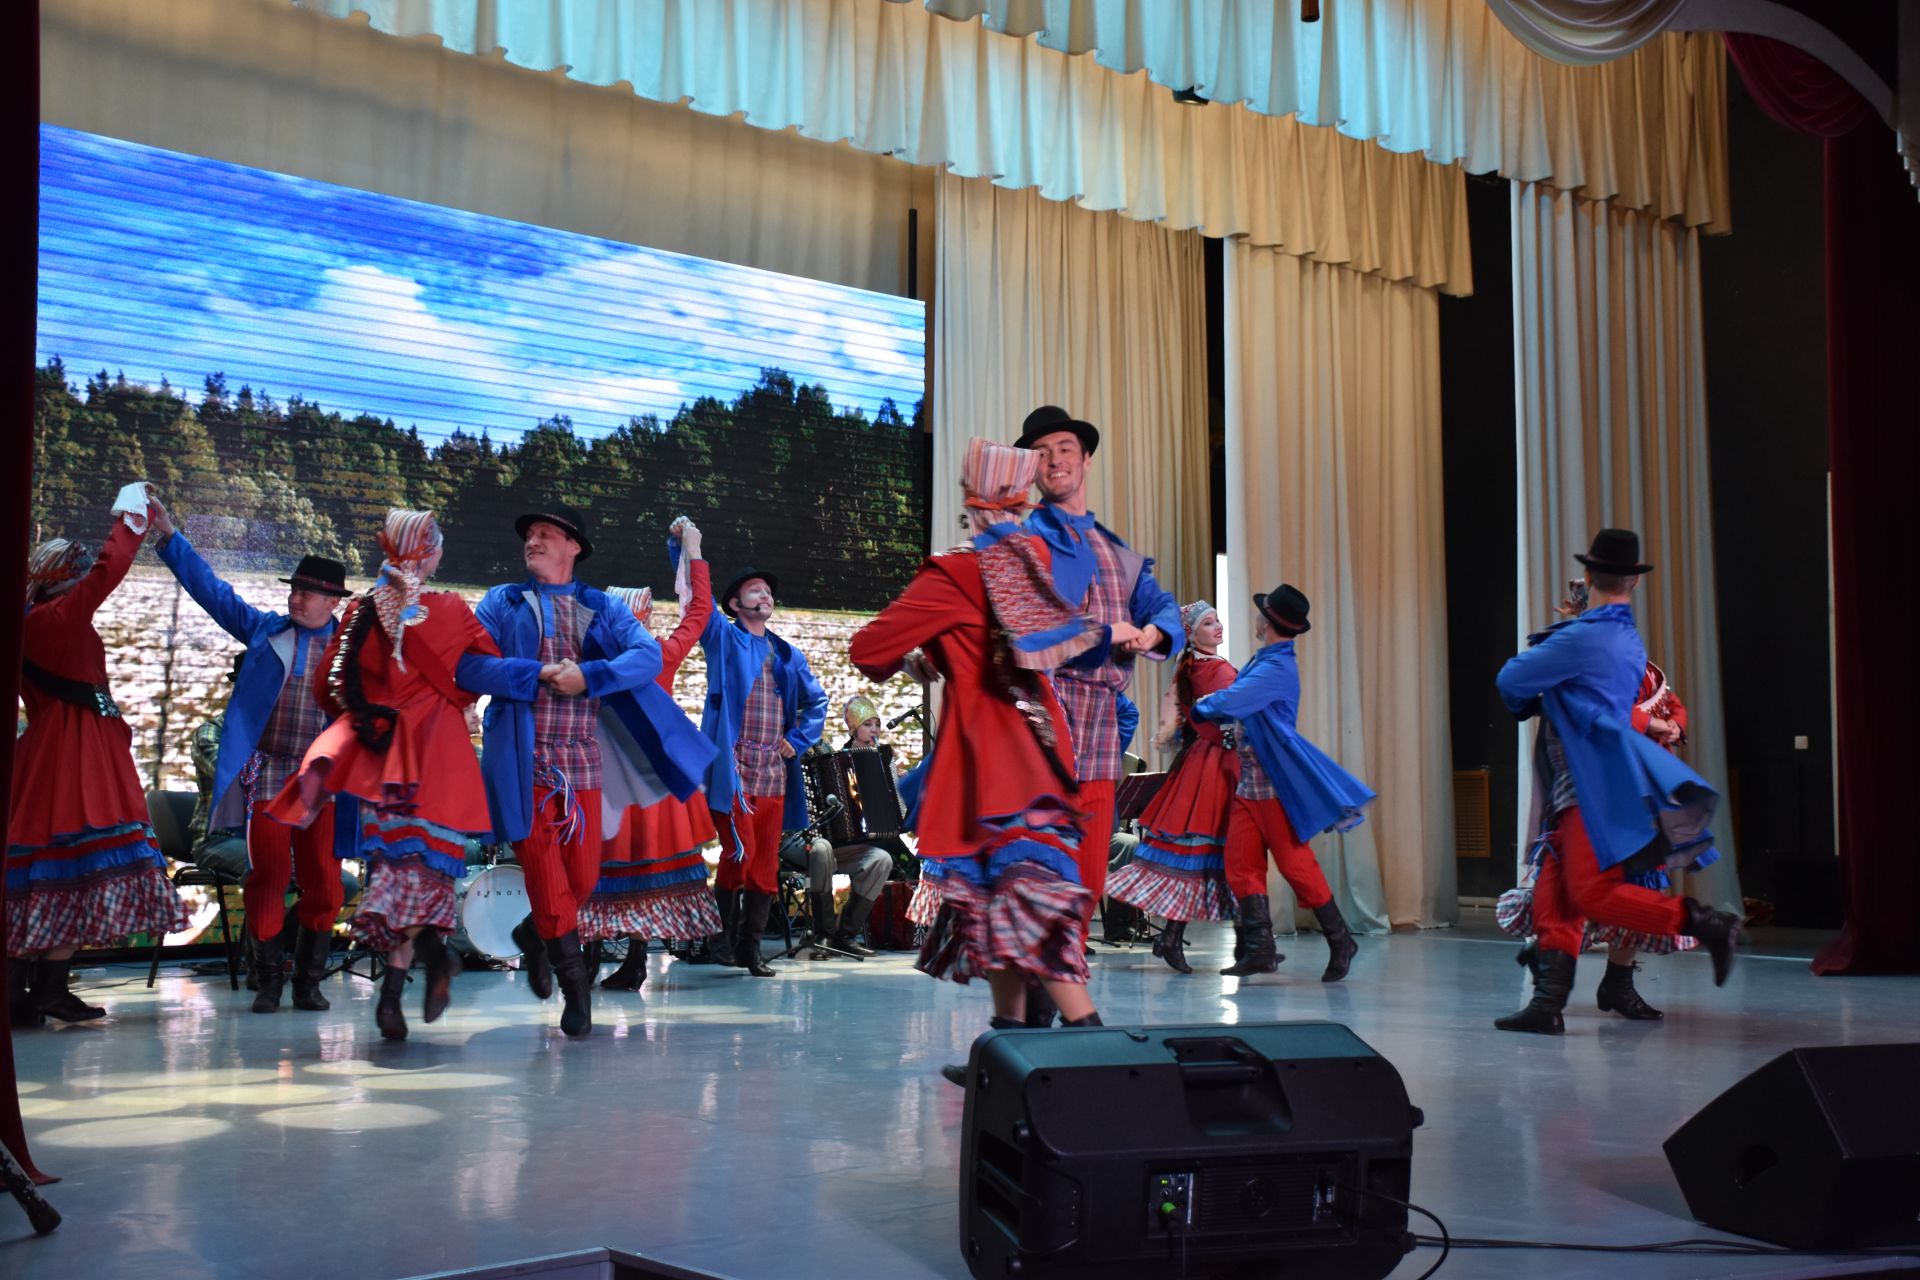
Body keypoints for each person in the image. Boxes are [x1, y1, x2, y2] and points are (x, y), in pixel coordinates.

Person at [852, 437, 1137, 1081]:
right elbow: (1046, 645)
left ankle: (1097, 1046)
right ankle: (1006, 1046)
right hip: (1035, 749)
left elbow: (868, 649)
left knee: (1025, 899)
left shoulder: (957, 570)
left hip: (993, 765)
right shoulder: (1034, 559)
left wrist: (924, 654)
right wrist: (947, 652)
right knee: (1000, 896)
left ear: (972, 502)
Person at [266, 509, 543, 1041]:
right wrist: (444, 701)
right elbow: (482, 673)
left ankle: (402, 989)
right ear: (432, 553)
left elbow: (328, 685)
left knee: (395, 873)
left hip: (385, 762)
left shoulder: (361, 611)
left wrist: (379, 709)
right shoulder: (452, 610)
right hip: (440, 761)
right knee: (429, 875)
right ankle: (425, 967)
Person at [472, 503, 712, 1036]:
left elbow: (647, 656)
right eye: (528, 534)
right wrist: (529, 673)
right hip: (523, 763)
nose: (531, 541)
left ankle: (538, 933)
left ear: (573, 546)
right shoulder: (501, 602)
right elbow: (468, 663)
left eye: (544, 534)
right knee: (547, 876)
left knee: (581, 881)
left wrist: (590, 676)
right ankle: (576, 991)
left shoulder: (599, 607)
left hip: (583, 763)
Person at [1493, 529, 1742, 1035]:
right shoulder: (1622, 636)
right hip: (1579, 785)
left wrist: (1544, 695)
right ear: (1633, 580)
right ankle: (1547, 1004)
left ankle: (1707, 924)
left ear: (1588, 576)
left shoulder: (1586, 637)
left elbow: (1511, 679)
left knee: (1593, 894)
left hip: (1589, 786)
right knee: (1553, 895)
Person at [150, 497, 357, 1013]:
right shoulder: (266, 630)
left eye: (309, 592)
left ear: (333, 601)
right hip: (269, 772)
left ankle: (308, 982)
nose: (298, 598)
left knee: (325, 888)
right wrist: (168, 537)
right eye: (296, 589)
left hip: (322, 778)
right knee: (266, 875)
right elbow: (212, 593)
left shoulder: (353, 649)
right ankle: (268, 980)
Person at [8, 484, 188, 1026]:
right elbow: (110, 570)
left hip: (51, 749)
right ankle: (44, 990)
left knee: (47, 872)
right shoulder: (56, 619)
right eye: (77, 570)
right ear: (61, 577)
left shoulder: (27, 625)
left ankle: (30, 992)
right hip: (74, 754)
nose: (86, 577)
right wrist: (132, 514)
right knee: (75, 863)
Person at [1014, 406, 1183, 941]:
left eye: (1065, 448)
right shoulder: (1024, 544)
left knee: (1089, 864)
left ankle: (1066, 982)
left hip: (1101, 723)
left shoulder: (1115, 551)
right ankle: (1030, 991)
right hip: (1043, 712)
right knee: (1038, 858)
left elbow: (1163, 606)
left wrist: (1154, 632)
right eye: (1042, 453)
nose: (1054, 459)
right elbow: (1029, 630)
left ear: (1085, 460)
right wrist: (1105, 634)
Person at [1503, 580, 1699, 1021]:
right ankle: (1548, 993)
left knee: (1621, 886)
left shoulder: (1638, 666)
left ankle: (1611, 984)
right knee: (1570, 889)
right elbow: (1602, 711)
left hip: (1634, 793)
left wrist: (1671, 728)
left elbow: (1669, 704)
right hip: (1586, 792)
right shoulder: (1569, 665)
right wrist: (1651, 725)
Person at [1193, 585, 1372, 982]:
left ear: (1267, 623)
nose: (1255, 618)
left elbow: (1231, 701)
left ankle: (1341, 939)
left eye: (1261, 613)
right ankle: (1260, 949)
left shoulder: (1276, 668)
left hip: (1273, 784)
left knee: (1296, 866)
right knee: (1240, 864)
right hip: (1250, 782)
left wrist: (1198, 707)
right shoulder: (1266, 659)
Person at [582, 519, 723, 992]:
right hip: (650, 781)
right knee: (640, 868)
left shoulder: (595, 662)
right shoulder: (657, 654)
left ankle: (594, 957)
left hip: (609, 778)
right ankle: (634, 959)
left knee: (602, 866)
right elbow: (699, 612)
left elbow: (699, 613)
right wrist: (693, 553)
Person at [698, 564, 827, 977]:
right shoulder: (724, 638)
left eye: (768, 590)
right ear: (736, 604)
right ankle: (720, 939)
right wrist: (687, 551)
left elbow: (817, 703)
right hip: (734, 765)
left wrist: (800, 738)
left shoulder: (787, 654)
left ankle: (750, 949)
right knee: (742, 850)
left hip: (772, 768)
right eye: (755, 590)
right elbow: (698, 605)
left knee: (765, 862)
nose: (765, 595)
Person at [1106, 601, 1238, 973]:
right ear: (1193, 633)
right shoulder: (1209, 669)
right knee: (1208, 853)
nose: (1218, 627)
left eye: (1217, 620)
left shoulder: (1198, 666)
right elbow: (1223, 715)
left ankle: (1235, 939)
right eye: (1208, 623)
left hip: (1212, 764)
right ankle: (1194, 938)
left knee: (1213, 854)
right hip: (1213, 766)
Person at [187, 654, 250, 880]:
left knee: (344, 884)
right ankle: (261, 914)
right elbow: (238, 779)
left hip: (267, 838)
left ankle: (290, 917)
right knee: (268, 864)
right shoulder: (210, 734)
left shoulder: (276, 737)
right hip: (219, 840)